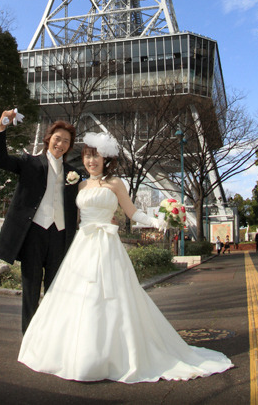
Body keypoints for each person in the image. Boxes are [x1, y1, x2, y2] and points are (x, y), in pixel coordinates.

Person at [18, 131, 233, 383]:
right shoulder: (79, 183)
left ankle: (114, 355)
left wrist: (158, 220)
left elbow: (132, 212)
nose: (91, 161)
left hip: (107, 246)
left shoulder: (116, 183)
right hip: (82, 245)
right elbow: (68, 215)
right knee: (78, 297)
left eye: (96, 156)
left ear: (106, 158)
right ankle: (76, 352)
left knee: (112, 297)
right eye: (87, 156)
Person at [0, 110, 80, 332]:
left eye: (66, 141)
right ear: (48, 139)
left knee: (55, 289)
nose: (60, 144)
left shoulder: (74, 173)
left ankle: (50, 337)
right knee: (30, 288)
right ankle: (29, 337)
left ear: (70, 147)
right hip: (34, 233)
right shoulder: (30, 163)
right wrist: (1, 126)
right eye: (57, 139)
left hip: (60, 235)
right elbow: (1, 160)